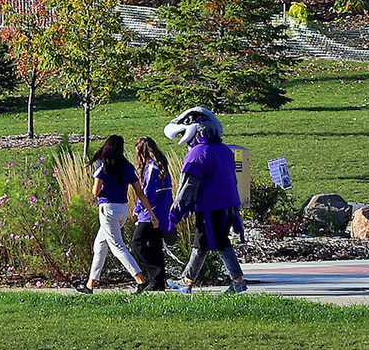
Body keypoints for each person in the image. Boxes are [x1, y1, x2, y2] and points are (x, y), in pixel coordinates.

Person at [163, 108, 247, 294]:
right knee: (202, 244)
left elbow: (188, 185)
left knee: (217, 243)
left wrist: (177, 209)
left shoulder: (198, 153)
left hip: (211, 205)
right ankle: (187, 280)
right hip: (226, 205)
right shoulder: (224, 150)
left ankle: (237, 280)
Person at [78, 135, 147, 294]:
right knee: (100, 246)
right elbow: (138, 190)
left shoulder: (103, 165)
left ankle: (140, 280)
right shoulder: (127, 166)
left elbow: (95, 191)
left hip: (108, 209)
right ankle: (90, 284)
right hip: (123, 208)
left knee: (117, 246)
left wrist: (102, 191)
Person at [129, 136, 176, 293]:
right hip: (163, 210)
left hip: (151, 212)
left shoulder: (151, 169)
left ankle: (155, 274)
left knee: (137, 242)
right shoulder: (162, 167)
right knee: (155, 245)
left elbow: (147, 193)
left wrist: (138, 209)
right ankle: (158, 283)